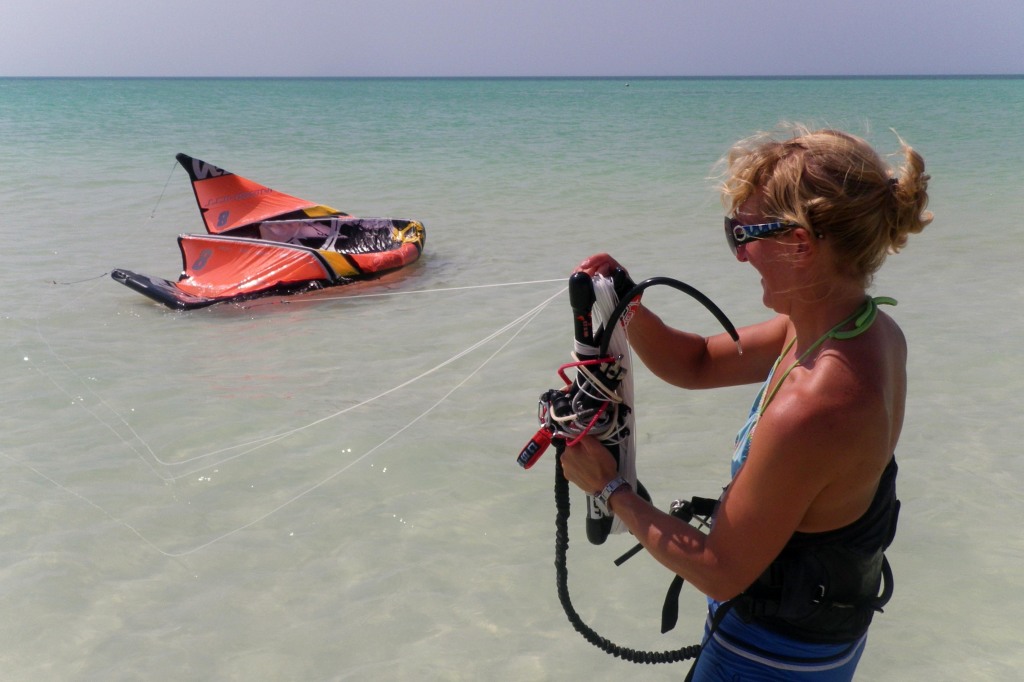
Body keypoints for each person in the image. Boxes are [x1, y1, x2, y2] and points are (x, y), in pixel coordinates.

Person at [560, 126, 932, 680]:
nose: (740, 255)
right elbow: (700, 363)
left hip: (767, 659)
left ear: (800, 244)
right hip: (823, 634)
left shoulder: (817, 405)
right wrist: (625, 305)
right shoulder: (861, 328)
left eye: (744, 233)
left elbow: (718, 570)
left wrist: (609, 488)